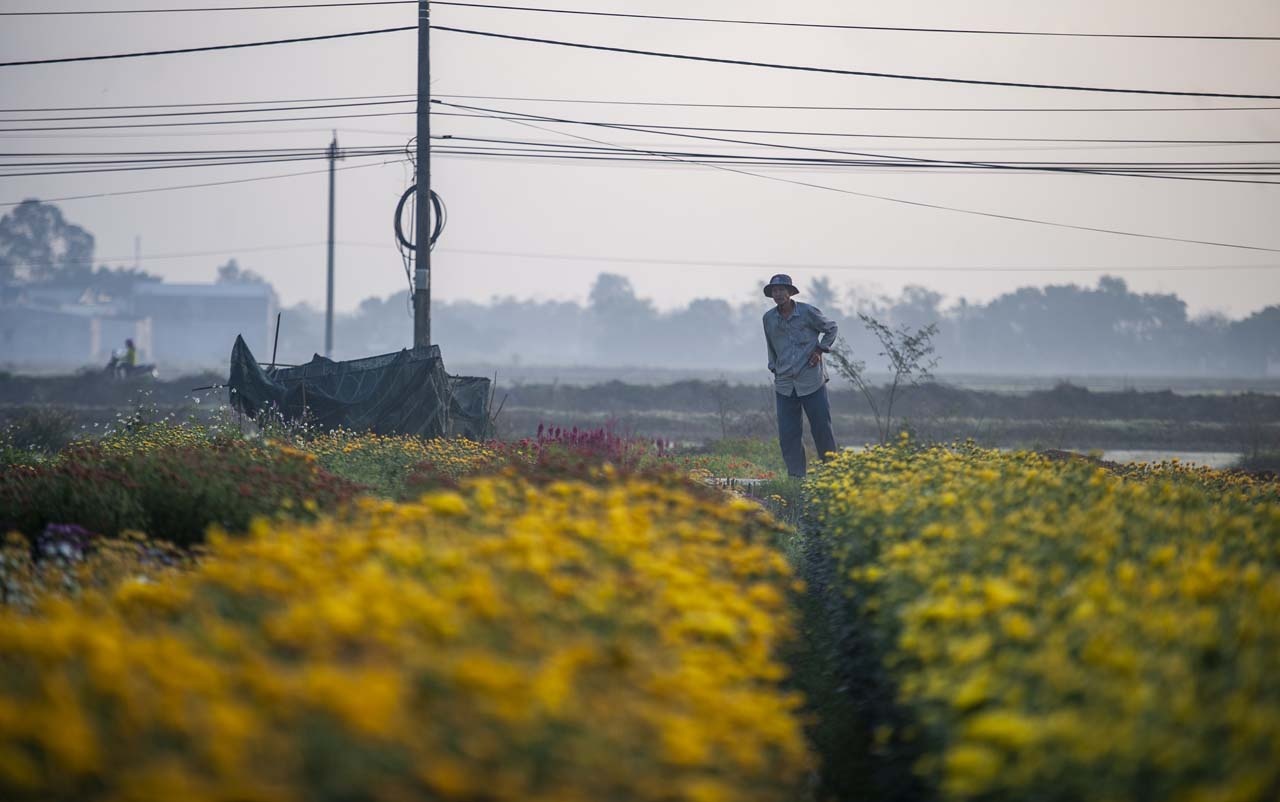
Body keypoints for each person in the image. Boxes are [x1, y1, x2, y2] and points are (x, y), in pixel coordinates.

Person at [762, 273, 839, 477]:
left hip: (811, 380)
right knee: (788, 435)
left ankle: (833, 474)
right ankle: (796, 478)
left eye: (781, 290)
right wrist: (774, 368)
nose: (778, 294)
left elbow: (831, 328)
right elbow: (771, 346)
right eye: (774, 291)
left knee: (821, 429)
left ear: (790, 292)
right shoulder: (769, 318)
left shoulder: (807, 312)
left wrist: (820, 350)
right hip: (785, 384)